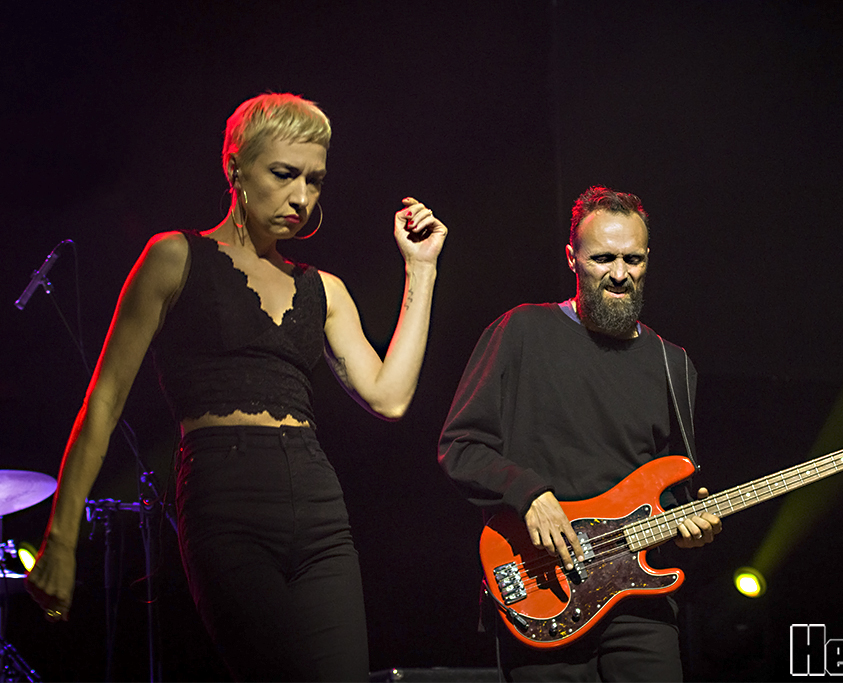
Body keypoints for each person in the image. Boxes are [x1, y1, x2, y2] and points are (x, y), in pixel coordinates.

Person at [25, 92, 448, 682]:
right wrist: (61, 538)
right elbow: (104, 401)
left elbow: (390, 396)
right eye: (284, 174)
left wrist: (421, 269)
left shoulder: (322, 288)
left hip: (320, 509)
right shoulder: (174, 257)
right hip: (226, 503)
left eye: (314, 181)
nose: (301, 197)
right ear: (235, 169)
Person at [438, 186, 720, 681]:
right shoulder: (521, 330)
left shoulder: (673, 364)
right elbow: (460, 446)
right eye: (603, 258)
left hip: (639, 602)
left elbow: (671, 489)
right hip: (544, 585)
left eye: (633, 259)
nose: (619, 274)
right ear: (572, 258)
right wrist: (529, 494)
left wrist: (690, 529)